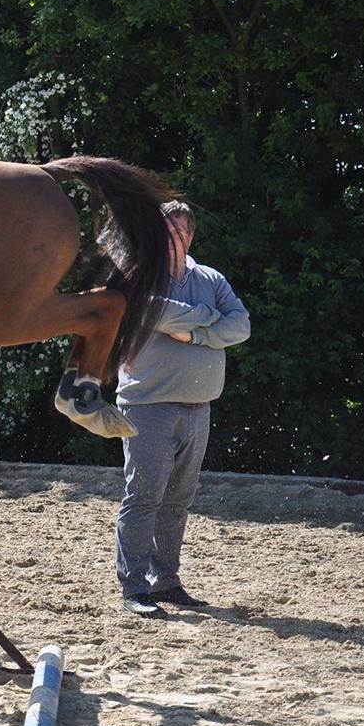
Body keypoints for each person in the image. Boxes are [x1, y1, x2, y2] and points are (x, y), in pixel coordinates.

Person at [114, 201, 250, 619]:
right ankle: (134, 587)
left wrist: (191, 335)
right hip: (147, 406)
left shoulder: (210, 277)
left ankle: (166, 581)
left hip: (197, 407)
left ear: (188, 235)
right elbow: (153, 310)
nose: (164, 238)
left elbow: (241, 325)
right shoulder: (138, 274)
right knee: (143, 497)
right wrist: (210, 321)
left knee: (177, 500)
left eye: (173, 231)